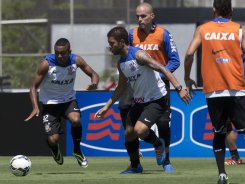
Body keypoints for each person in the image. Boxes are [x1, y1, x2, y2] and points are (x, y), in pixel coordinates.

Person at [184, 0, 245, 183]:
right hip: (238, 89)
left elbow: (189, 54)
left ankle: (222, 176)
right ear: (232, 10)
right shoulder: (240, 29)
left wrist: (188, 78)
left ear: (213, 9)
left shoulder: (203, 29)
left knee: (219, 132)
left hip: (213, 91)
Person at [95, 26, 189, 174]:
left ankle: (158, 144)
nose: (110, 47)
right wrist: (107, 106)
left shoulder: (139, 56)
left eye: (112, 43)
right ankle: (135, 166)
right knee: (129, 133)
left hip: (157, 99)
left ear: (122, 42)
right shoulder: (121, 63)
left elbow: (164, 69)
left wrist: (179, 88)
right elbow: (121, 86)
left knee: (139, 130)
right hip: (140, 101)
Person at [118, 2, 180, 173]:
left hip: (159, 83)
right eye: (137, 16)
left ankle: (166, 160)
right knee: (123, 106)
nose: (139, 19)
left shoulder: (163, 34)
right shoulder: (131, 35)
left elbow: (175, 60)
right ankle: (135, 161)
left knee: (163, 123)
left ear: (152, 16)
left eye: (143, 16)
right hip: (137, 84)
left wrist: (156, 76)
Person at [25, 38, 99, 168]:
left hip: (68, 100)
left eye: (63, 53)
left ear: (69, 52)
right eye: (57, 53)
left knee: (76, 120)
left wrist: (94, 83)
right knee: (53, 140)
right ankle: (54, 149)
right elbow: (33, 87)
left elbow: (93, 74)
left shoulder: (76, 60)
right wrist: (35, 107)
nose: (60, 56)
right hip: (49, 105)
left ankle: (77, 150)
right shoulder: (46, 64)